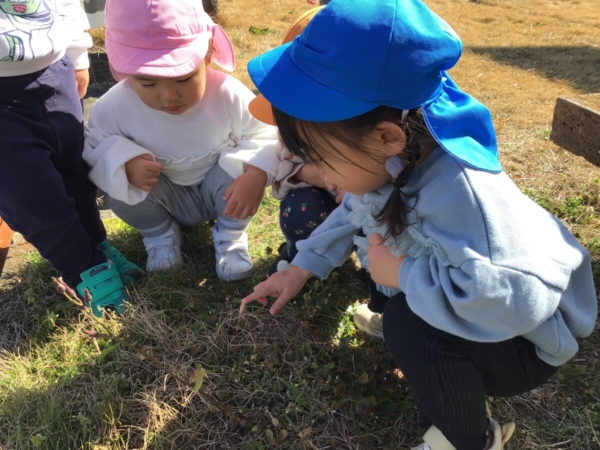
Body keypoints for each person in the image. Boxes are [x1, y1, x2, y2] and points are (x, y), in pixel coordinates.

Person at [241, 1, 598, 449]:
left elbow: (516, 300)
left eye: (321, 158)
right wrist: (299, 269)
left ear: (387, 137)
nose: (318, 174)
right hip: (485, 309)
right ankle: (415, 330)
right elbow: (351, 213)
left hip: (525, 339)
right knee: (390, 275)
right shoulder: (393, 161)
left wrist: (405, 276)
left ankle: (469, 439)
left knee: (409, 324)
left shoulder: (464, 194)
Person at [84, 0, 281, 281]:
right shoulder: (113, 107)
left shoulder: (228, 95)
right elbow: (96, 146)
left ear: (208, 53)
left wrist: (256, 173)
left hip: (219, 188)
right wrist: (124, 164)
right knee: (117, 184)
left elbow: (264, 134)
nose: (169, 96)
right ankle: (159, 235)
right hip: (163, 193)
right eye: (148, 83)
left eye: (184, 78)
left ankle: (231, 234)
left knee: (242, 170)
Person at [0, 0, 143, 318]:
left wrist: (77, 52)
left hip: (55, 70)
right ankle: (83, 266)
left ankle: (96, 244)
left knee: (76, 174)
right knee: (31, 195)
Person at [249, 6, 345, 276]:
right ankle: (299, 258)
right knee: (301, 208)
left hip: (371, 211)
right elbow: (284, 172)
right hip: (324, 204)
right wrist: (311, 174)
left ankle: (378, 271)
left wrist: (358, 187)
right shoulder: (295, 131)